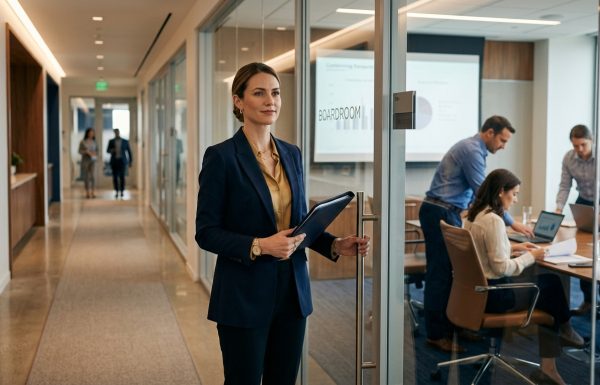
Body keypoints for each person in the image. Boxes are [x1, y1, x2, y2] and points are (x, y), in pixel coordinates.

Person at [194, 62, 370, 385]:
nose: (269, 101)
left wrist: (332, 243)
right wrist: (260, 245)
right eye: (259, 93)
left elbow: (299, 224)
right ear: (238, 101)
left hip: (292, 292)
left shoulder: (291, 154)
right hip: (243, 295)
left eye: (275, 93)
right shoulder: (221, 157)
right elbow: (206, 232)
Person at [419, 115, 534, 353]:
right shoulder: (472, 151)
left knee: (451, 274)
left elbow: (478, 196)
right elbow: (484, 190)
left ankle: (457, 326)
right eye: (502, 140)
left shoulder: (473, 150)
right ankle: (437, 333)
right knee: (441, 275)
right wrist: (512, 224)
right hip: (441, 210)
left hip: (444, 210)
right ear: (489, 133)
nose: (503, 146)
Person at [465, 169, 583, 385]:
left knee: (547, 287)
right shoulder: (494, 220)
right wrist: (531, 255)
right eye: (515, 193)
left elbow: (485, 253)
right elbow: (501, 269)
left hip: (476, 293)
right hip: (496, 296)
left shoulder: (475, 215)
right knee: (551, 285)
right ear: (502, 192)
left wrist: (515, 247)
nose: (516, 199)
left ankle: (560, 339)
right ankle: (563, 334)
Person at [555, 124, 596, 315]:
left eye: (583, 145)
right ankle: (588, 300)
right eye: (575, 145)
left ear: (592, 140)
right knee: (582, 249)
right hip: (584, 202)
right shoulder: (569, 158)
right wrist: (558, 209)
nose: (579, 150)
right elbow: (565, 186)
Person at [106, 128, 132, 198]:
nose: (116, 133)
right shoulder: (111, 141)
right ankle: (116, 191)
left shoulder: (125, 141)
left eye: (117, 132)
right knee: (115, 177)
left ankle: (122, 191)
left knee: (122, 177)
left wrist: (130, 161)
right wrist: (112, 150)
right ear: (114, 133)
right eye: (115, 132)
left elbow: (129, 152)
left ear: (119, 132)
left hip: (122, 161)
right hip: (114, 161)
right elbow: (107, 150)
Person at [78, 127, 97, 198]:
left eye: (92, 133)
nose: (91, 134)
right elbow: (79, 151)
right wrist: (86, 152)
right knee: (86, 177)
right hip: (85, 161)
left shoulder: (94, 142)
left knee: (92, 176)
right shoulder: (83, 142)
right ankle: (87, 192)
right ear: (87, 133)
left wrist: (95, 153)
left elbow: (97, 150)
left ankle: (93, 191)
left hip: (93, 161)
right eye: (90, 133)